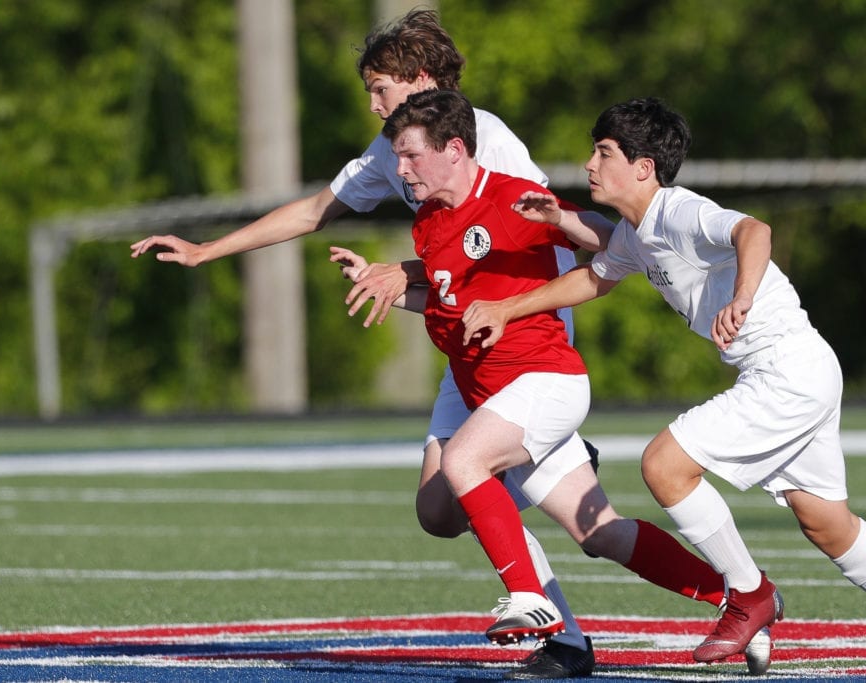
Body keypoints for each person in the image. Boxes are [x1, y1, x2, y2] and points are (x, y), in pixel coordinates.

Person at [131, 10, 608, 677]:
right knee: (438, 510)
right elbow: (312, 210)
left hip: (520, 328)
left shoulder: (483, 144)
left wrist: (405, 275)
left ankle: (563, 632)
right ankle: (550, 519)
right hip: (464, 335)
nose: (372, 103)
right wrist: (209, 250)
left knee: (510, 490)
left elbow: (507, 253)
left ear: (419, 81)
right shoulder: (396, 148)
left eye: (380, 88)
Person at [329, 89, 771, 678]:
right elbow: (451, 304)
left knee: (464, 464)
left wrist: (564, 218)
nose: (400, 169)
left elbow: (607, 239)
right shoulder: (432, 220)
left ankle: (533, 603)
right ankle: (743, 598)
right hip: (497, 394)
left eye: (409, 156)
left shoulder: (511, 197)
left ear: (454, 150)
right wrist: (390, 286)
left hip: (544, 381)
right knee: (600, 533)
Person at [460, 96, 866, 667]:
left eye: (603, 153)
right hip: (802, 369)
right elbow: (592, 280)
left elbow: (755, 229)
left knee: (664, 465)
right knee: (827, 525)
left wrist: (743, 297)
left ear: (643, 167)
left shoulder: (677, 211)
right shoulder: (634, 233)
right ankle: (753, 595)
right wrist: (509, 308)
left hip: (787, 370)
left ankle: (750, 595)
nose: (590, 164)